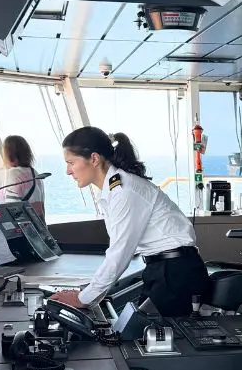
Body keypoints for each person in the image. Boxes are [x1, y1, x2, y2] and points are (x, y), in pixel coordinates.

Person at [49, 126, 211, 316]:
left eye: (71, 163)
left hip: (174, 274)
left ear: (94, 159)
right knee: (140, 333)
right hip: (164, 269)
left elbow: (120, 253)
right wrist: (88, 292)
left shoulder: (124, 191)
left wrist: (83, 298)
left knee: (146, 337)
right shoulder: (114, 190)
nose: (68, 171)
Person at [0, 135, 45, 219]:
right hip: (38, 229)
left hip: (22, 229)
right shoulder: (35, 174)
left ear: (9, 155)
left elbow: (12, 209)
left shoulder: (13, 174)